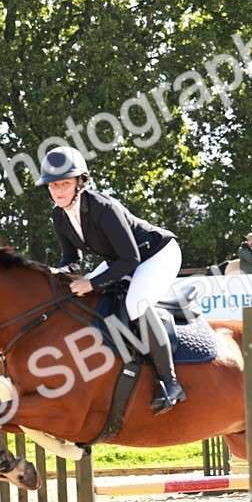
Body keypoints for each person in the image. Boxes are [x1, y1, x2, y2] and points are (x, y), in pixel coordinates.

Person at [38, 145, 186, 415]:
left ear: (79, 182)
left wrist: (92, 283)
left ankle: (170, 382)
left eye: (65, 184)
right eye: (53, 185)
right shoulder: (59, 215)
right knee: (86, 295)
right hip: (120, 258)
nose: (58, 191)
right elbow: (71, 258)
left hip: (156, 254)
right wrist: (56, 274)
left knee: (134, 305)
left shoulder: (103, 208)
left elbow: (130, 258)